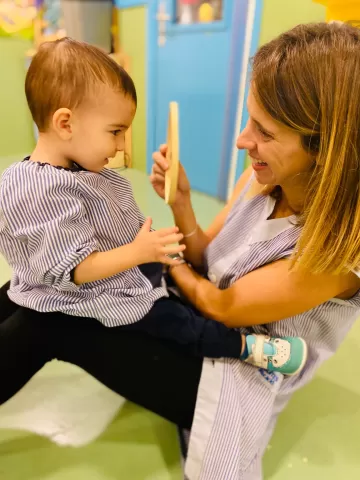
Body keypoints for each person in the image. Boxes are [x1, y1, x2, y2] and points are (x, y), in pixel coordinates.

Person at [0, 21, 360, 480]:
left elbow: (222, 304)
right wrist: (181, 202)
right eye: (250, 120)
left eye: (265, 132)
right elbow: (208, 260)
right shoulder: (264, 177)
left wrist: (151, 258)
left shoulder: (338, 252)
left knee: (47, 319)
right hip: (194, 311)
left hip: (235, 369)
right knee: (31, 286)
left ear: (326, 151)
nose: (243, 141)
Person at [0, 37, 306, 371]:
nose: (120, 146)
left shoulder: (76, 172)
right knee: (177, 323)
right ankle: (245, 347)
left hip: (131, 272)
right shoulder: (43, 189)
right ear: (65, 123)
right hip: (100, 293)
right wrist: (140, 252)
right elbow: (73, 269)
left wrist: (154, 245)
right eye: (115, 131)